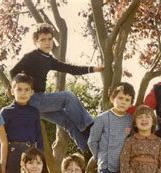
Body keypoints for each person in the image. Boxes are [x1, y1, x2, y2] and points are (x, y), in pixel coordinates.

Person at [10, 22, 104, 152]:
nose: (47, 42)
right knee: (68, 97)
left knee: (67, 121)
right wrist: (20, 92)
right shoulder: (30, 57)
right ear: (36, 42)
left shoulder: (49, 60)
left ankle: (87, 150)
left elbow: (69, 68)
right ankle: (90, 127)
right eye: (43, 40)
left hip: (39, 106)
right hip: (34, 99)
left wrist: (93, 69)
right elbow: (12, 73)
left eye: (49, 39)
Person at [0, 73, 43, 173]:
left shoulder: (34, 111)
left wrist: (41, 156)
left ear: (32, 92)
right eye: (19, 89)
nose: (23, 93)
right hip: (13, 153)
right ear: (12, 91)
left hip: (31, 152)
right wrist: (1, 163)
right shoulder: (6, 112)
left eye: (26, 90)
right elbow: (1, 139)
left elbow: (39, 136)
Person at [88, 83, 135, 173]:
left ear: (131, 104)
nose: (123, 102)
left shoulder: (130, 120)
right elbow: (92, 141)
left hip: (123, 167)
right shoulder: (102, 118)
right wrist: (98, 157)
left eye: (127, 100)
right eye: (120, 98)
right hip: (106, 166)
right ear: (112, 99)